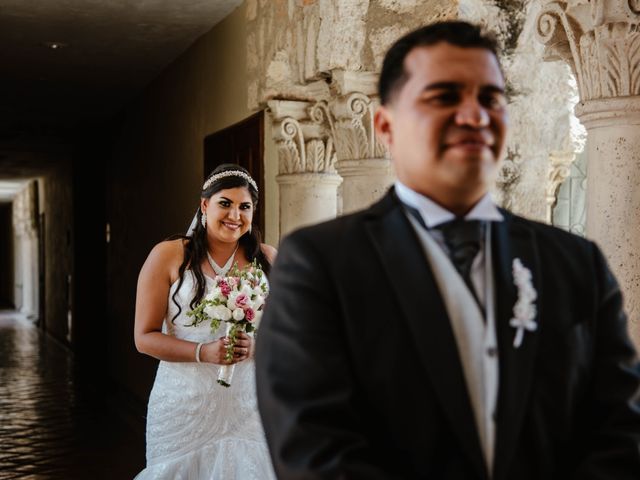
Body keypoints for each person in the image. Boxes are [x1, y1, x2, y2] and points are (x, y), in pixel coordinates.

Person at [255, 21, 640, 480]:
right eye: (443, 97)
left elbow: (619, 435)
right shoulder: (320, 263)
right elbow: (313, 450)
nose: (474, 114)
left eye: (490, 99)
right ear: (385, 124)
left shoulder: (576, 264)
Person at [134, 164, 277, 479]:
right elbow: (143, 338)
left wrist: (257, 346)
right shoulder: (168, 256)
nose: (234, 215)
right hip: (183, 406)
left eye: (245, 206)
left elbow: (289, 333)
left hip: (248, 406)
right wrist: (203, 352)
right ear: (204, 205)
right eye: (225, 203)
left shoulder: (267, 259)